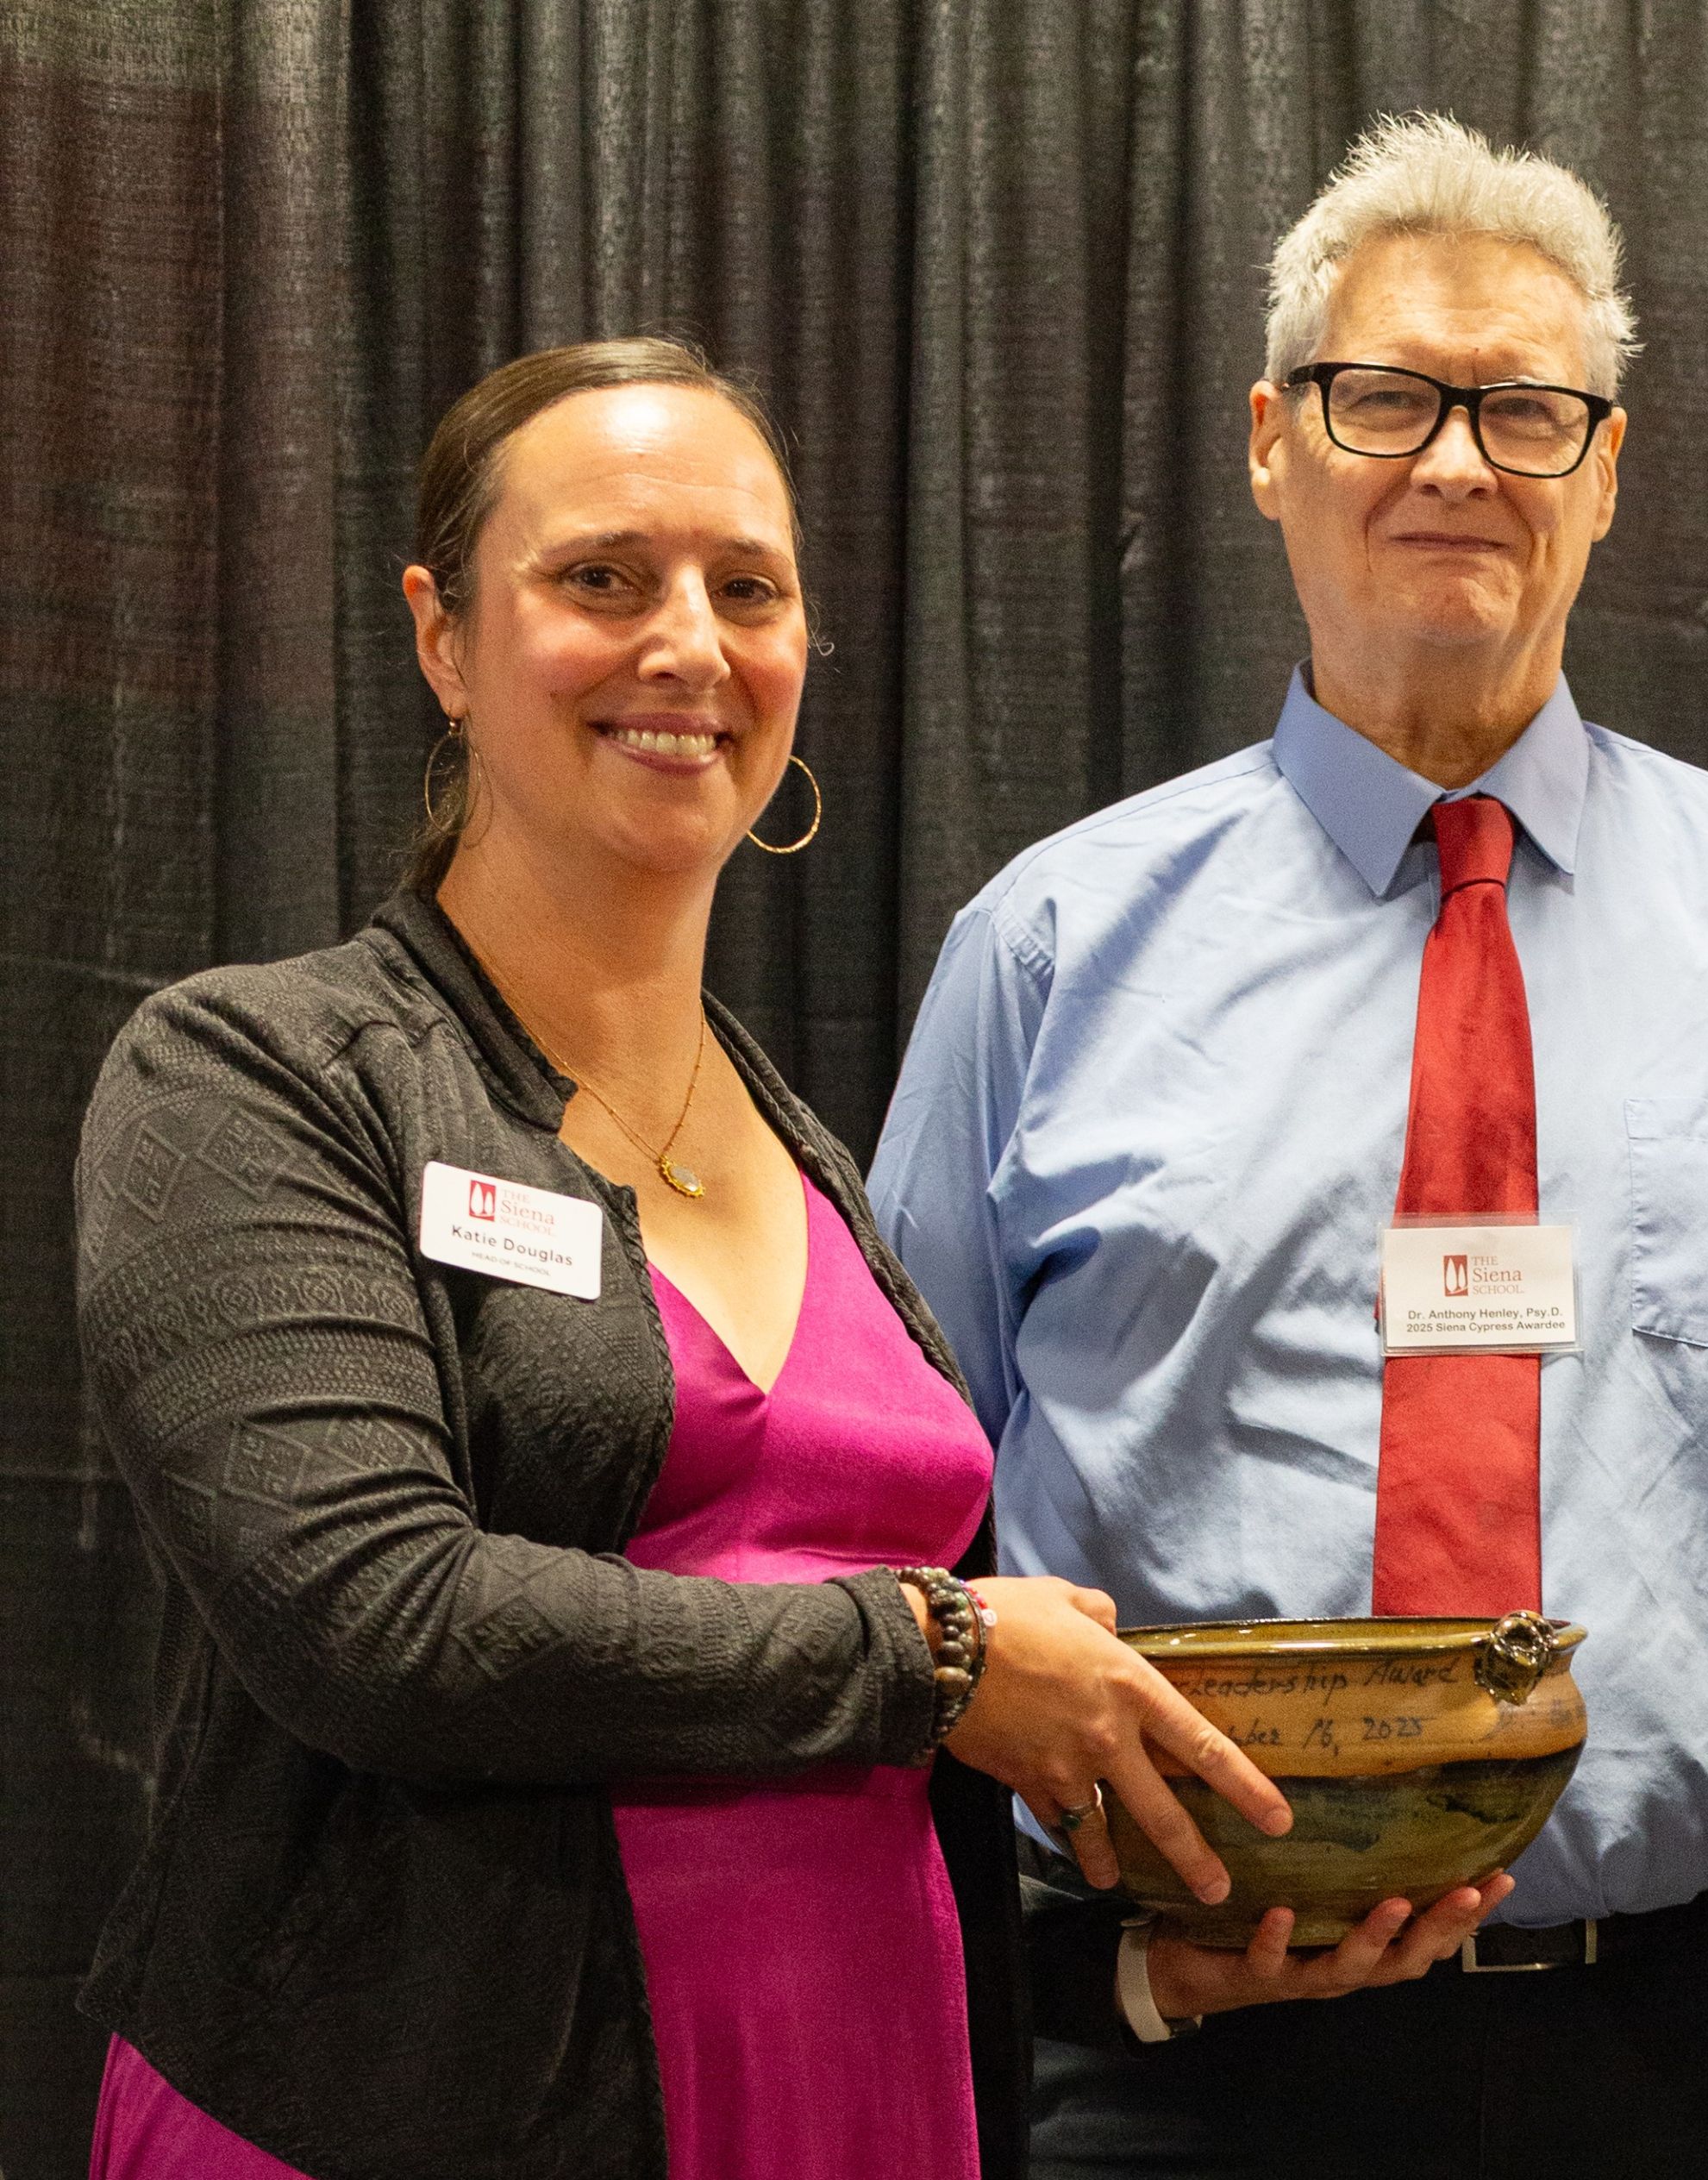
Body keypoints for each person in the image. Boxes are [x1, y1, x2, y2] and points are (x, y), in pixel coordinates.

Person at [72, 335, 1288, 2180]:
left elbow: (839, 1764)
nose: (690, 647)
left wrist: (1138, 1979)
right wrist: (939, 1652)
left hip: (871, 2110)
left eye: (749, 589)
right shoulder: (258, 1074)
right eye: (601, 580)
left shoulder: (806, 1152)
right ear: (443, 637)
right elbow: (379, 1624)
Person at [870, 114, 1708, 2177]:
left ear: (1605, 469)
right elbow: (920, 1516)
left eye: (1527, 410)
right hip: (1192, 2054)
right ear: (1271, 443)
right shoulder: (1049, 944)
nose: (1458, 460)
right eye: (1390, 398)